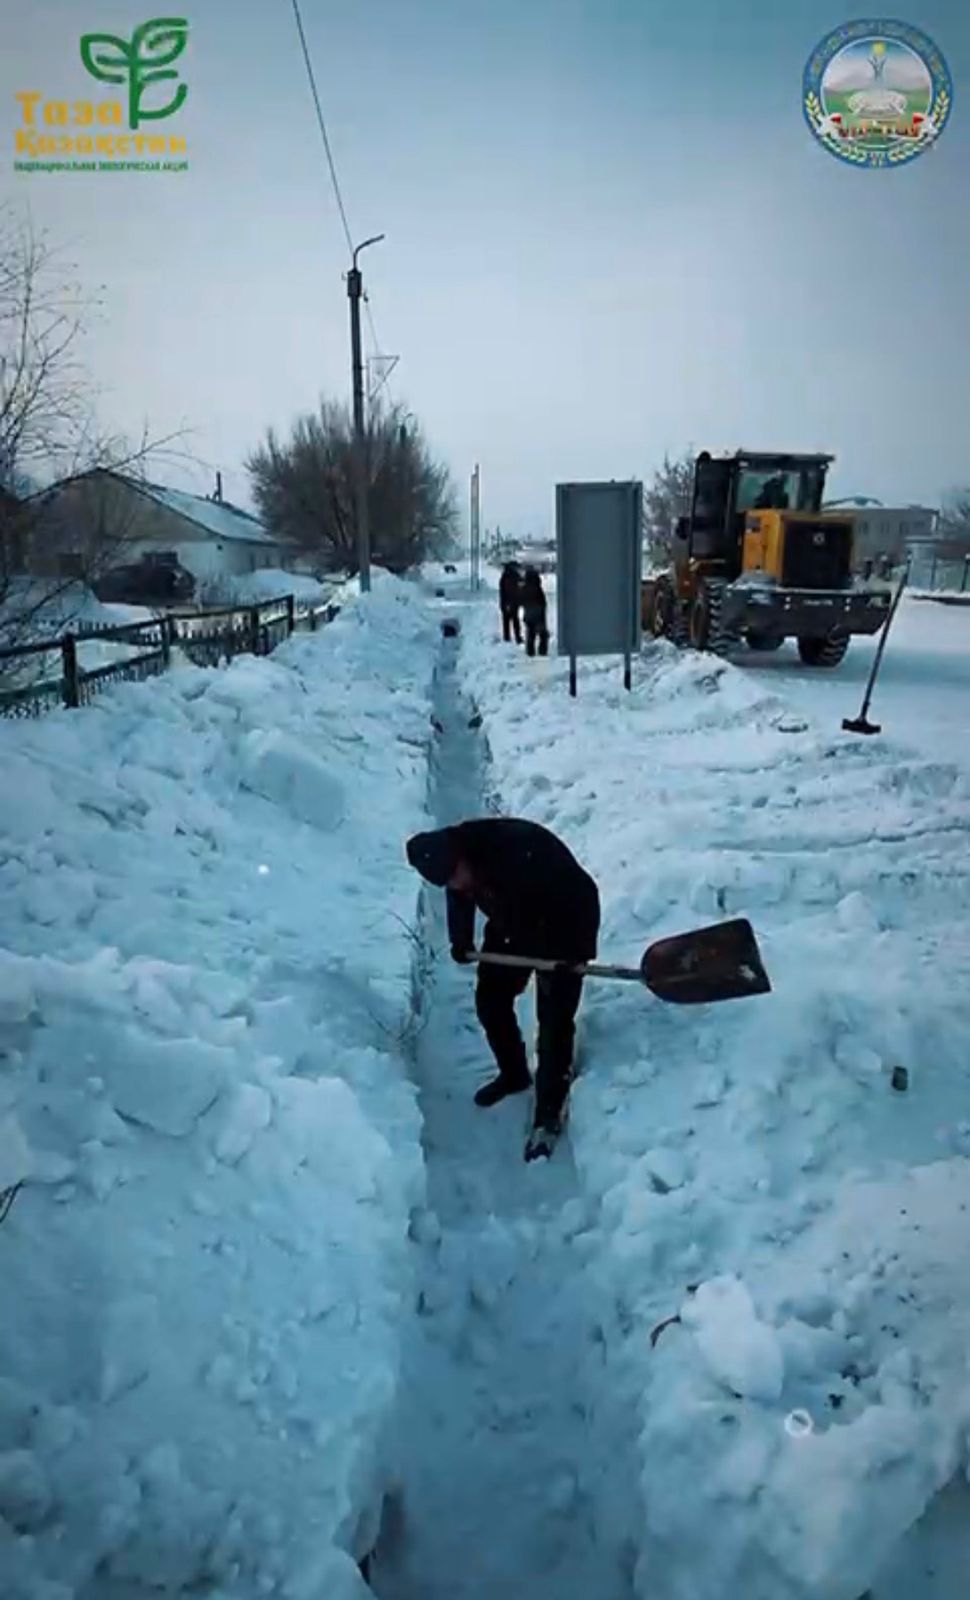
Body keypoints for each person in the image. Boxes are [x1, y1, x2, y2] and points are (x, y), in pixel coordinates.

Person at [405, 818, 600, 1159]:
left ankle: (547, 1118)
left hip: (567, 918)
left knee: (554, 1019)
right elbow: (460, 892)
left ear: (461, 858)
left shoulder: (511, 853)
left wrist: (568, 959)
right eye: (447, 882)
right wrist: (461, 939)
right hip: (513, 920)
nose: (455, 884)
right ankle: (514, 1074)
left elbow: (547, 908)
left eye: (455, 876)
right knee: (491, 999)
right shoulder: (455, 859)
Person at [520, 567, 549, 657]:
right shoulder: (537, 587)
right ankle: (542, 650)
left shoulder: (524, 588)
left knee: (530, 632)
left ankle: (530, 651)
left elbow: (521, 600)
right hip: (538, 612)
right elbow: (542, 601)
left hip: (528, 612)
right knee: (543, 633)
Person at [498, 561, 522, 643]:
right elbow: (511, 590)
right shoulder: (512, 576)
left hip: (506, 602)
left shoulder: (505, 576)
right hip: (511, 602)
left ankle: (507, 637)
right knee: (515, 620)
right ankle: (517, 637)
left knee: (506, 621)